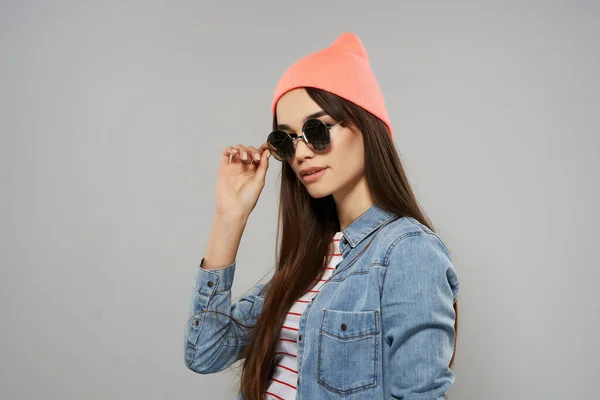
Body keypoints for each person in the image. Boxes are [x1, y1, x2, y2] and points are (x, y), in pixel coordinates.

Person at [184, 32, 460, 400]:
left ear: (366, 125)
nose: (301, 153)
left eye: (317, 130)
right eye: (286, 140)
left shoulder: (408, 252)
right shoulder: (312, 257)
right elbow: (205, 351)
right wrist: (229, 216)